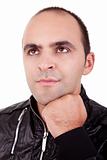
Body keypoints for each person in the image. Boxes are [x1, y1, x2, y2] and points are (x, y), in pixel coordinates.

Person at [0, 6, 107, 160]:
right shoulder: (2, 125)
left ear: (88, 63)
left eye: (62, 49)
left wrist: (72, 136)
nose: (44, 64)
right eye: (33, 51)